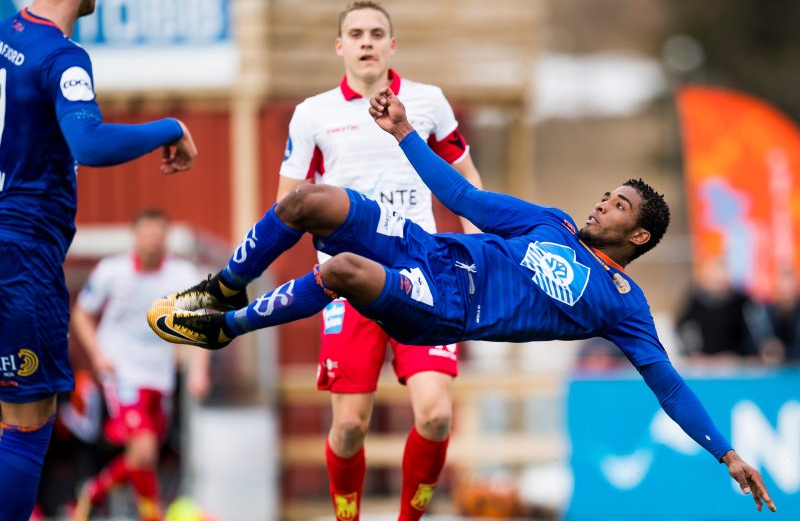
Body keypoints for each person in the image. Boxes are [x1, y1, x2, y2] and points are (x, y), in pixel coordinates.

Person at [149, 87, 777, 514]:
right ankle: (220, 289)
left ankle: (223, 327)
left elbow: (667, 384)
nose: (601, 204)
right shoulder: (551, 223)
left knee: (342, 270)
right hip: (429, 248)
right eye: (607, 195)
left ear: (638, 236)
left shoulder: (622, 302)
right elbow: (468, 201)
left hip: (446, 307)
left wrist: (725, 451)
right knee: (309, 201)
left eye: (617, 206)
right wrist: (402, 135)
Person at [0, 0, 197, 518]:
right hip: (21, 255)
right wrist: (171, 126)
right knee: (27, 424)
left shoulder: (9, 32)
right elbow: (89, 143)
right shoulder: (63, 58)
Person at [274, 0, 484, 521]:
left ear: (392, 45)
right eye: (355, 33)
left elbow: (468, 184)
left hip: (427, 275)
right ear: (340, 46)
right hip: (349, 279)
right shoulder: (313, 114)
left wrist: (484, 246)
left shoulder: (429, 103)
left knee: (435, 416)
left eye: (376, 33)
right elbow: (286, 206)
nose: (366, 42)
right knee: (349, 427)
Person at [70, 209, 209, 521]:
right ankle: (152, 516)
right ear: (134, 237)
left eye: (158, 235)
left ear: (167, 239)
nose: (152, 241)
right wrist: (97, 355)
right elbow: (81, 313)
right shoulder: (112, 271)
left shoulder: (182, 275)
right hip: (122, 372)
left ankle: (92, 492)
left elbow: (201, 325)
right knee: (144, 450)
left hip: (160, 376)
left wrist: (198, 370)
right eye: (146, 234)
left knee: (144, 456)